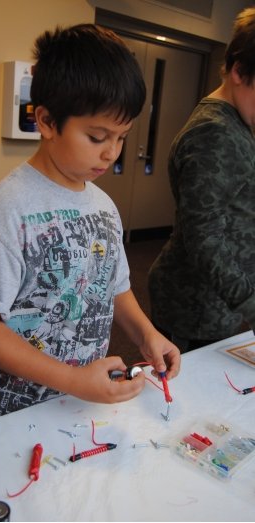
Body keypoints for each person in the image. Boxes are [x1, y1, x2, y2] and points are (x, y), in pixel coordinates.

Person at [0, 24, 180, 423]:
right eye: (97, 136)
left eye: (121, 137)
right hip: (10, 406)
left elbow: (115, 285)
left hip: (77, 395)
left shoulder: (103, 205)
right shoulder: (4, 211)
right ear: (47, 121)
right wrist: (72, 379)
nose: (111, 153)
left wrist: (146, 334)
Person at [148, 7, 255, 352]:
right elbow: (204, 236)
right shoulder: (215, 131)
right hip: (193, 308)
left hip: (219, 301)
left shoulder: (240, 123)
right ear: (238, 70)